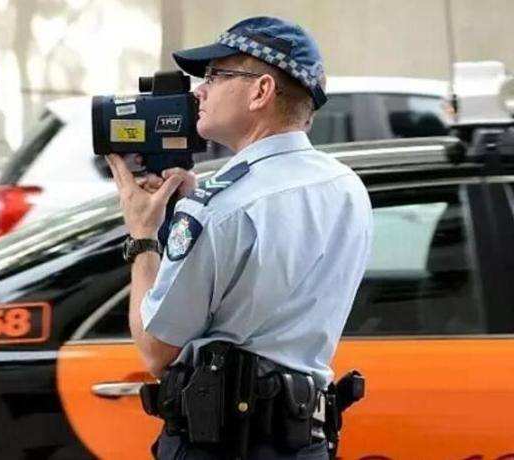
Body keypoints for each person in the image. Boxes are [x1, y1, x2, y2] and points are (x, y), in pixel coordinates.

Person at [106, 16, 372, 460]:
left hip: (220, 445)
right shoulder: (346, 187)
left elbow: (156, 351)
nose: (199, 91)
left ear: (261, 91)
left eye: (215, 76)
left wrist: (143, 236)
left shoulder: (219, 207)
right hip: (306, 442)